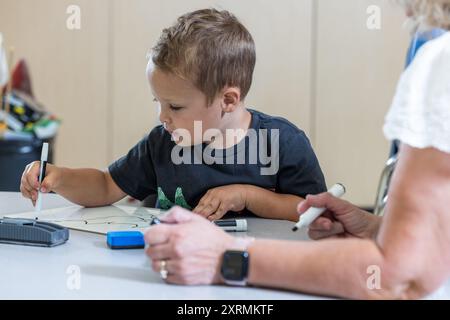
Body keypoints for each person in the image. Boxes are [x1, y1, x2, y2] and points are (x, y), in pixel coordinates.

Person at [144, 0, 450, 299]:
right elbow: (432, 248)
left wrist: (224, 256)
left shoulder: (441, 62)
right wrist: (373, 228)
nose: (404, 9)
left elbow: (397, 279)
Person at [19, 9, 326, 222]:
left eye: (175, 107)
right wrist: (58, 177)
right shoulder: (162, 144)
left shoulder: (283, 143)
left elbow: (312, 210)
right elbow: (104, 185)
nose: (163, 117)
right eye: (158, 102)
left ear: (228, 100)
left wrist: (246, 195)